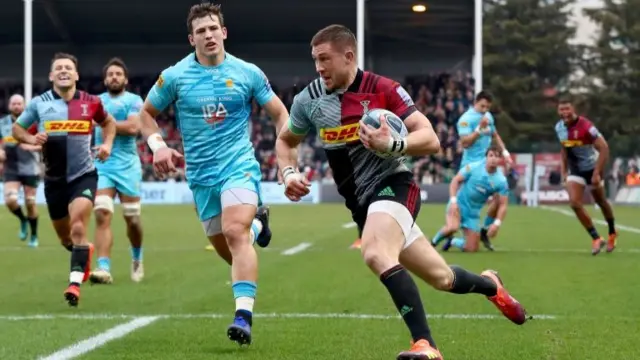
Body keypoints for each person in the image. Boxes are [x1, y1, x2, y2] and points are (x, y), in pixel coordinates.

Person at [276, 24, 528, 360]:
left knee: (375, 252)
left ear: (348, 56)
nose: (319, 68)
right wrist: (289, 171)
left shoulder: (383, 90)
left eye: (325, 59)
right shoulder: (309, 99)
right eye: (315, 60)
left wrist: (394, 143)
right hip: (363, 205)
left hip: (395, 186)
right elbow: (285, 141)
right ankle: (491, 286)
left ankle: (426, 345)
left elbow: (430, 138)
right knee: (443, 278)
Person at [138, 3, 289, 345]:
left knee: (235, 233)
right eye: (201, 31)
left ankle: (243, 317)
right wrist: (158, 145)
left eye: (213, 28)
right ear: (192, 39)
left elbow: (281, 115)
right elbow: (145, 114)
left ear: (224, 32)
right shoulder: (174, 76)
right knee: (230, 248)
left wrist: (285, 158)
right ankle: (259, 224)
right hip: (201, 176)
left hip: (238, 165)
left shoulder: (248, 73)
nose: (208, 35)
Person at [12, 52, 117, 307]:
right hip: (54, 180)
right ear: (51, 76)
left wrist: (107, 144)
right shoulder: (39, 103)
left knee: (79, 226)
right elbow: (18, 129)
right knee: (66, 239)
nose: (63, 71)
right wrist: (30, 139)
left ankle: (74, 284)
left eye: (68, 67)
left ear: (76, 75)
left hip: (84, 176)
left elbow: (109, 122)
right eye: (58, 68)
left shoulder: (90, 102)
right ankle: (84, 253)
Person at [89, 58, 145, 285]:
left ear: (125, 79)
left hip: (128, 166)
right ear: (104, 80)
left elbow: (133, 128)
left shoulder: (134, 100)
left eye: (118, 74)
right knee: (102, 213)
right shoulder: (95, 102)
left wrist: (104, 123)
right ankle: (103, 268)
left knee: (132, 219)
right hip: (102, 164)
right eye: (110, 74)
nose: (114, 77)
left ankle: (137, 257)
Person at [445, 91, 512, 251]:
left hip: (488, 165)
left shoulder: (488, 116)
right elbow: (465, 143)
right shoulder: (466, 119)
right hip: (471, 166)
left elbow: (495, 135)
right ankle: (452, 230)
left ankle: (483, 231)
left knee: (498, 199)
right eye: (482, 106)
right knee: (464, 203)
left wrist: (505, 153)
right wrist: (479, 129)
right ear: (475, 102)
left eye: (487, 107)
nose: (484, 109)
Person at [555, 98, 617, 255]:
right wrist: (563, 172)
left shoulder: (586, 126)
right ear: (558, 111)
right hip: (576, 171)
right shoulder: (559, 128)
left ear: (573, 109)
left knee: (601, 201)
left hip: (592, 168)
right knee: (575, 203)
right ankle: (596, 238)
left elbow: (604, 148)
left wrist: (597, 172)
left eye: (567, 109)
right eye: (561, 109)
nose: (564, 113)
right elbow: (564, 151)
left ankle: (612, 233)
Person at [432, 146, 509, 252]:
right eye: (491, 155)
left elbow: (503, 204)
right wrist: (454, 201)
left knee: (472, 248)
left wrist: (497, 224)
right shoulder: (473, 167)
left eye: (497, 156)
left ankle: (452, 241)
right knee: (453, 227)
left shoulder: (501, 181)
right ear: (486, 157)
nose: (493, 159)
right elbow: (455, 181)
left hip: (473, 214)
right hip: (459, 205)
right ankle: (433, 243)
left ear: (501, 160)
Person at [0, 94, 41, 247]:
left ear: (24, 105)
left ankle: (34, 235)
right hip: (11, 168)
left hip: (30, 167)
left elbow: (45, 143)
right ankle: (23, 220)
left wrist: (30, 146)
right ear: (9, 105)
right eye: (14, 103)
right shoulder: (3, 123)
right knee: (11, 201)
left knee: (30, 203)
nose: (16, 106)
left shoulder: (34, 122)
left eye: (19, 103)